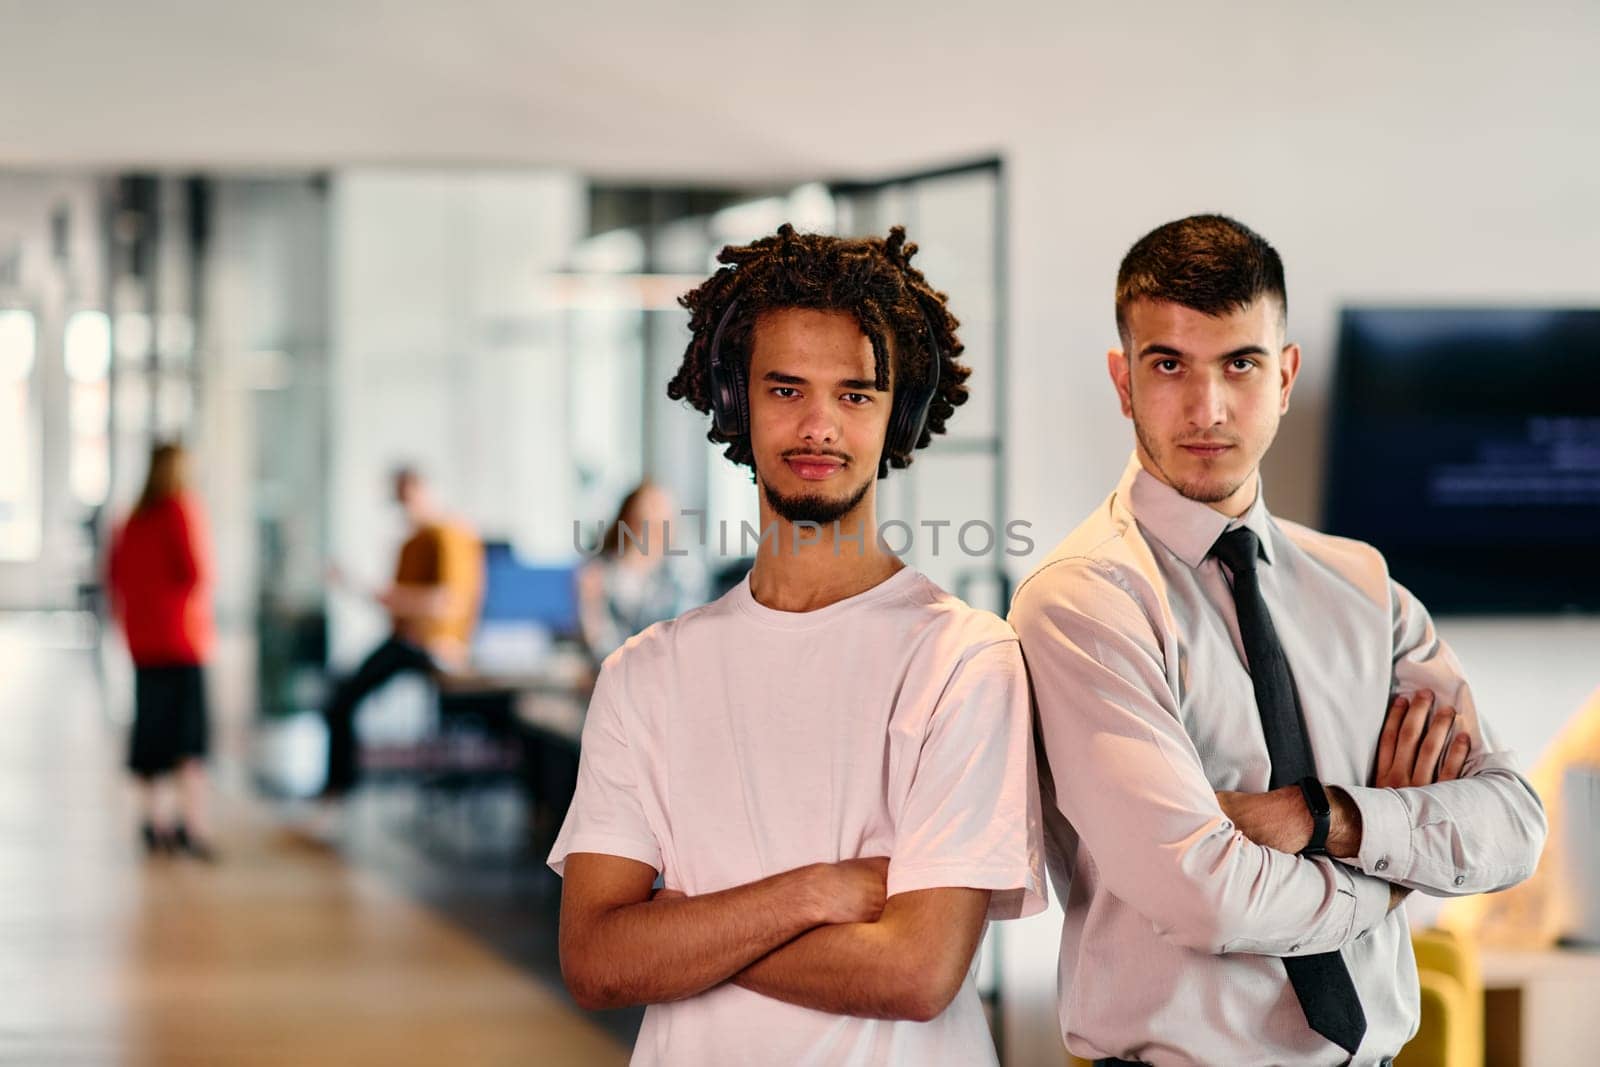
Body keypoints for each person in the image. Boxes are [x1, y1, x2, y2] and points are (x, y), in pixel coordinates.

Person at [1009, 214, 1547, 1066]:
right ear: (1123, 380)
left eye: (1241, 363)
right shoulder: (1081, 603)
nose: (1206, 407)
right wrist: (1394, 864)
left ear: (1286, 374)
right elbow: (1206, 898)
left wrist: (1321, 815)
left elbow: (1513, 823)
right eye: (1168, 364)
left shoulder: (1363, 588)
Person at [550, 224, 1045, 1066]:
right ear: (735, 401)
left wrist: (682, 929)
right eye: (786, 390)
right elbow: (596, 961)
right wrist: (817, 892)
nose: (819, 425)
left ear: (899, 415)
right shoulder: (646, 674)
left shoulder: (964, 658)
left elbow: (917, 971)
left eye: (855, 394)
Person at [319, 466, 483, 798]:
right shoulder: (411, 543)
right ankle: (337, 789)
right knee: (339, 697)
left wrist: (392, 598)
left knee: (343, 698)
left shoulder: (450, 534)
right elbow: (397, 604)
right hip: (407, 640)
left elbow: (446, 602)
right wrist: (365, 589)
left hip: (434, 645)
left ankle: (337, 791)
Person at [108, 442, 217, 861]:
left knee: (152, 730)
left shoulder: (132, 519)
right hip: (181, 640)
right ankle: (193, 824)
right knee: (189, 737)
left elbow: (115, 577)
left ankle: (154, 821)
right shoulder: (180, 509)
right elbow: (198, 572)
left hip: (143, 642)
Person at [575, 481, 700, 664]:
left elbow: (685, 639)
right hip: (617, 673)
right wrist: (591, 605)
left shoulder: (681, 575)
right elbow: (601, 647)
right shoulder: (600, 574)